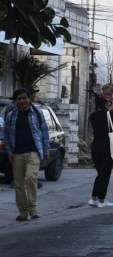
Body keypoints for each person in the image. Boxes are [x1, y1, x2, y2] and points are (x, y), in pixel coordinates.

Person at [2, 88, 50, 221]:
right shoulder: (11, 115)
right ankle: (23, 211)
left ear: (29, 99)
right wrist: (9, 151)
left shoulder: (37, 113)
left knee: (30, 178)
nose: (22, 101)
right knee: (18, 184)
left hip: (33, 152)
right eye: (19, 99)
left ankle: (33, 208)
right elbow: (6, 134)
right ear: (16, 101)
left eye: (24, 98)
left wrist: (46, 150)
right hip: (17, 154)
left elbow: (44, 132)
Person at [88, 92, 113, 208]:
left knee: (100, 173)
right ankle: (102, 200)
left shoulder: (92, 116)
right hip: (107, 147)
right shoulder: (110, 114)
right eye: (109, 102)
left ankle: (93, 198)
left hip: (95, 146)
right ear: (105, 104)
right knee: (105, 174)